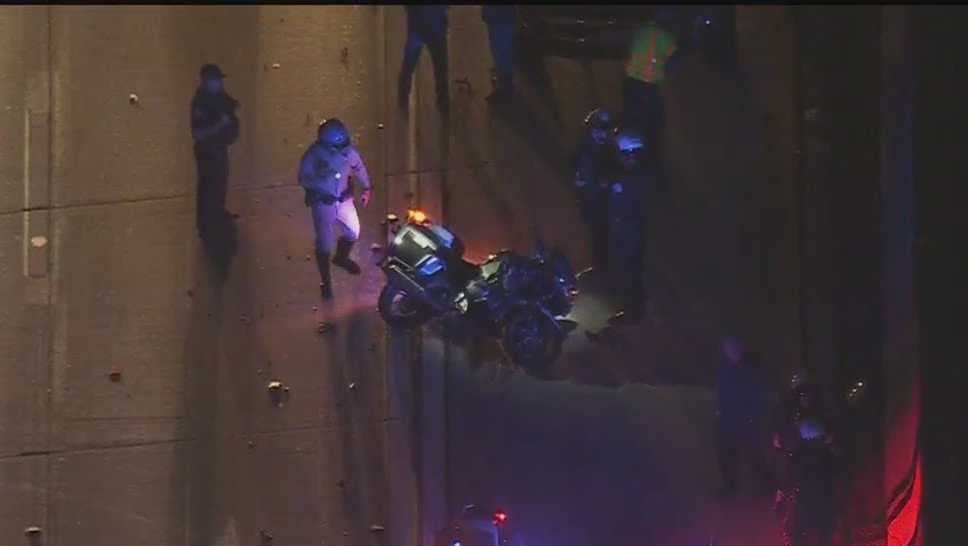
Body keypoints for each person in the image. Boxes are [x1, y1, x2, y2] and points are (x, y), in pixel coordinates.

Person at [298, 118, 373, 301]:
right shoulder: (314, 156)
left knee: (353, 231)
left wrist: (367, 187)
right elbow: (303, 177)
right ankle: (326, 280)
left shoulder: (348, 152)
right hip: (323, 204)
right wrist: (323, 179)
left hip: (344, 199)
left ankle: (341, 257)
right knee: (324, 243)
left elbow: (359, 167)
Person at [774, 371, 837, 546]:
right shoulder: (791, 409)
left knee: (817, 504)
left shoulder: (818, 409)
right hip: (803, 462)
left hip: (814, 466)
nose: (805, 398)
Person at [714, 336, 776, 497]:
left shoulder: (747, 370)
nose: (732, 352)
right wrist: (720, 411)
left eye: (734, 349)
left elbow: (755, 394)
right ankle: (729, 489)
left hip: (743, 421)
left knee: (752, 454)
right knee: (726, 456)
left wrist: (750, 416)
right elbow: (721, 392)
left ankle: (770, 485)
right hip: (727, 421)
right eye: (728, 349)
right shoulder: (723, 368)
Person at [606, 128, 654, 326]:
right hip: (628, 228)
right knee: (629, 270)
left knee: (630, 271)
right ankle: (633, 309)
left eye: (625, 155)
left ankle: (633, 312)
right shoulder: (632, 176)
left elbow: (631, 204)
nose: (623, 159)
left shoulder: (635, 178)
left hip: (630, 230)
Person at [622, 7, 680, 160]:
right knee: (655, 122)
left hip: (632, 83)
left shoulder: (641, 31)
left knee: (632, 118)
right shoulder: (667, 38)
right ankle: (652, 155)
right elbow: (673, 65)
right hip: (651, 87)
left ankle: (629, 152)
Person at [190, 63, 240, 238]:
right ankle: (205, 224)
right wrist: (220, 125)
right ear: (206, 82)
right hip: (207, 152)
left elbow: (227, 103)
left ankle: (218, 213)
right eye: (216, 80)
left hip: (219, 148)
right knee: (207, 187)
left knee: (220, 184)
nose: (220, 84)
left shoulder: (217, 96)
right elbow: (198, 134)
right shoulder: (201, 105)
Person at [573, 108, 617, 276]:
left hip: (608, 203)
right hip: (593, 202)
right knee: (598, 236)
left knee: (607, 236)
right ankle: (602, 269)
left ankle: (606, 269)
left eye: (604, 130)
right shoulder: (585, 149)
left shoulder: (611, 148)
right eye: (598, 130)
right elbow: (575, 168)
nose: (602, 135)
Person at [398, 5, 450, 109]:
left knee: (409, 60)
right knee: (440, 63)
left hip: (417, 23)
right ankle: (443, 97)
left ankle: (402, 95)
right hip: (436, 23)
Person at [482, 6, 518, 102]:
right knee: (500, 49)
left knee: (501, 49)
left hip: (500, 15)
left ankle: (505, 86)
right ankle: (504, 82)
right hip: (499, 15)